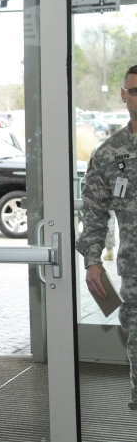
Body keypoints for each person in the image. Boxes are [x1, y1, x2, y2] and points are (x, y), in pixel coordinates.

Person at [78, 63, 137, 411]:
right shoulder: (109, 154)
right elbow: (94, 213)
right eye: (134, 91)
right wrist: (92, 262)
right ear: (123, 95)